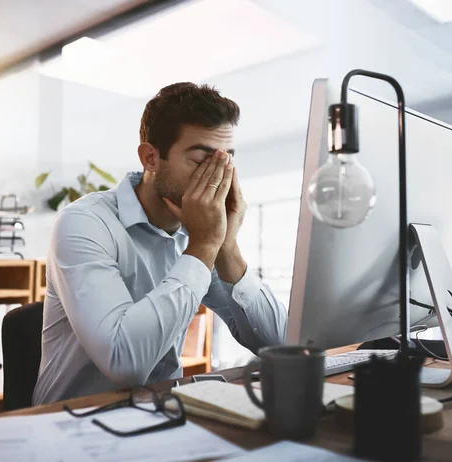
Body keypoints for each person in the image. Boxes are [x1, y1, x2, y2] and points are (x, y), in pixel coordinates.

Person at [32, 82, 287, 405]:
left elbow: (279, 344)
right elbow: (124, 365)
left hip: (163, 414)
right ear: (151, 158)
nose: (218, 178)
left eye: (226, 163)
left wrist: (227, 247)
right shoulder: (84, 223)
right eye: (201, 161)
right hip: (73, 424)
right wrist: (205, 245)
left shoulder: (196, 233)